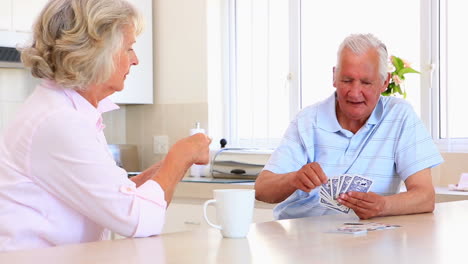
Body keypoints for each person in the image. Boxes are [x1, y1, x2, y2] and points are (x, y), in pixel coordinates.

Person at [0, 0, 211, 251]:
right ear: (96, 52)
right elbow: (139, 220)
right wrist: (180, 156)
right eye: (129, 48)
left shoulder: (68, 112)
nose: (136, 61)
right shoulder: (59, 121)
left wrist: (174, 163)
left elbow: (120, 196)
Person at [255, 33, 443, 220]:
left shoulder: (400, 116)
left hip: (369, 240)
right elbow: (262, 189)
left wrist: (383, 206)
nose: (354, 93)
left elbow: (425, 197)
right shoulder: (307, 121)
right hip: (301, 237)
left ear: (385, 82)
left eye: (366, 82)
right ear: (334, 77)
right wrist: (293, 179)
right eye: (346, 80)